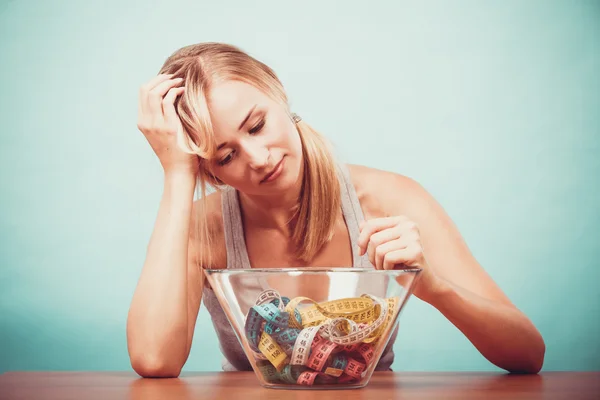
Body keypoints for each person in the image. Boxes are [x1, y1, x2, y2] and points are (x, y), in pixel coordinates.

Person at [126, 42, 545, 378]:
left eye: (257, 126)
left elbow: (527, 353)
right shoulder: (204, 226)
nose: (256, 157)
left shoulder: (389, 200)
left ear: (279, 94)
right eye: (224, 156)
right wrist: (178, 174)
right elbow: (153, 359)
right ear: (210, 170)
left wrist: (432, 286)